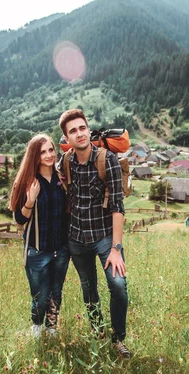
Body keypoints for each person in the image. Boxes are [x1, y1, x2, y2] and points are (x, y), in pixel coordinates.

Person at [58, 109, 131, 359]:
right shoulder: (65, 161)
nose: (79, 134)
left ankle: (118, 339)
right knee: (89, 289)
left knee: (118, 286)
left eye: (82, 128)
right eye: (72, 131)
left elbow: (117, 206)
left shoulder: (106, 159)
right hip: (77, 240)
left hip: (104, 238)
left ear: (88, 130)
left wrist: (116, 248)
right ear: (67, 138)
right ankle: (98, 332)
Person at [9, 133, 70, 338]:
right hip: (37, 250)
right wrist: (30, 200)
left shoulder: (62, 178)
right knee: (40, 295)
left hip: (60, 249)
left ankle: (52, 328)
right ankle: (36, 326)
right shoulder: (27, 182)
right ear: (34, 155)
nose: (48, 155)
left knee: (56, 292)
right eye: (43, 152)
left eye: (51, 150)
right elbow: (19, 220)